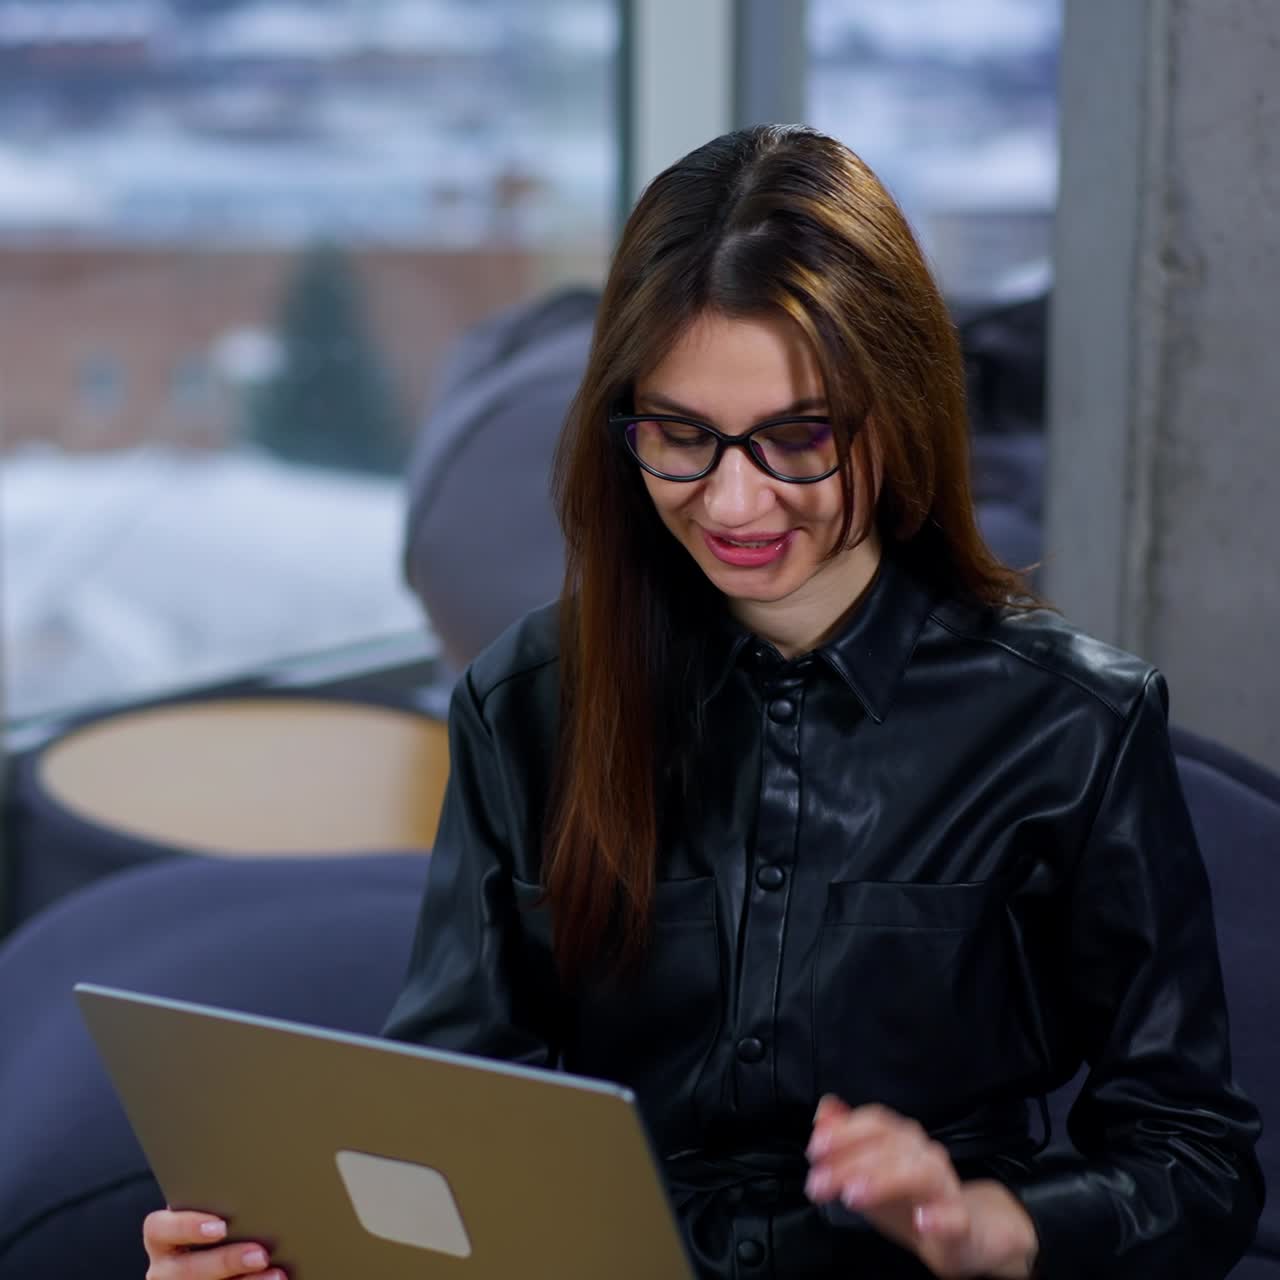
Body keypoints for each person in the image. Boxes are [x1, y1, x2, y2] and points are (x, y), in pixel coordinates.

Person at [142, 125, 1263, 1280]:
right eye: (678, 436)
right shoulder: (527, 703)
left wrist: (983, 1220)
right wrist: (276, 1246)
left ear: (898, 412)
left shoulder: (1070, 723)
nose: (732, 501)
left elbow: (1194, 1165)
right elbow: (446, 1124)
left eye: (795, 438)